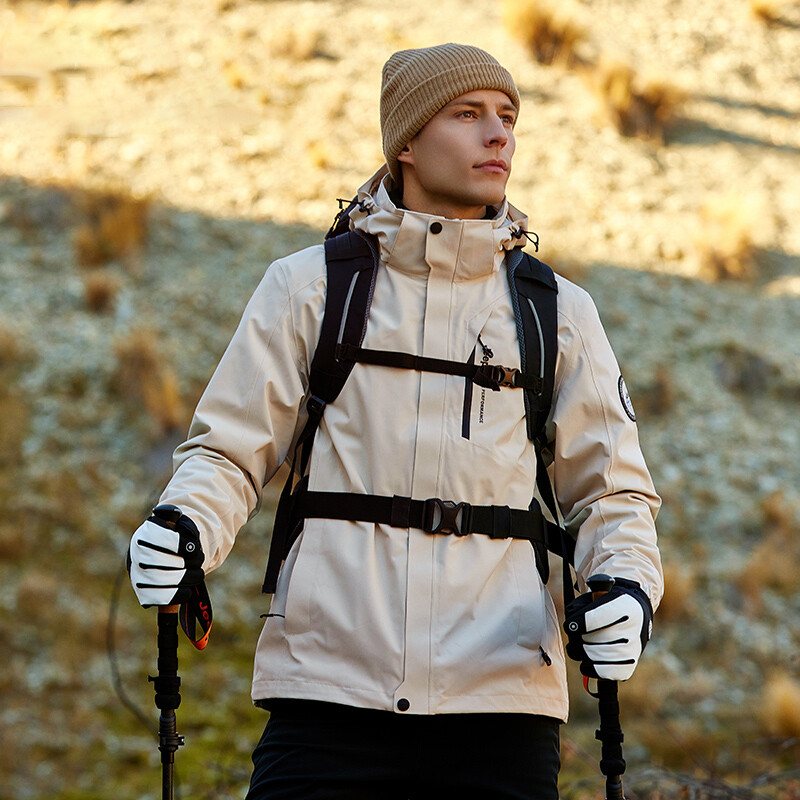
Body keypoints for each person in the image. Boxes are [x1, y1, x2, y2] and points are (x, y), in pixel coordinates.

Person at [128, 43, 663, 799]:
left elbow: (611, 494)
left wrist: (625, 589)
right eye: (468, 114)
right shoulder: (309, 288)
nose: (499, 135)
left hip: (500, 709)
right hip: (327, 698)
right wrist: (185, 525)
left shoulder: (557, 312)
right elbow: (229, 454)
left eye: (507, 117)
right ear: (406, 141)